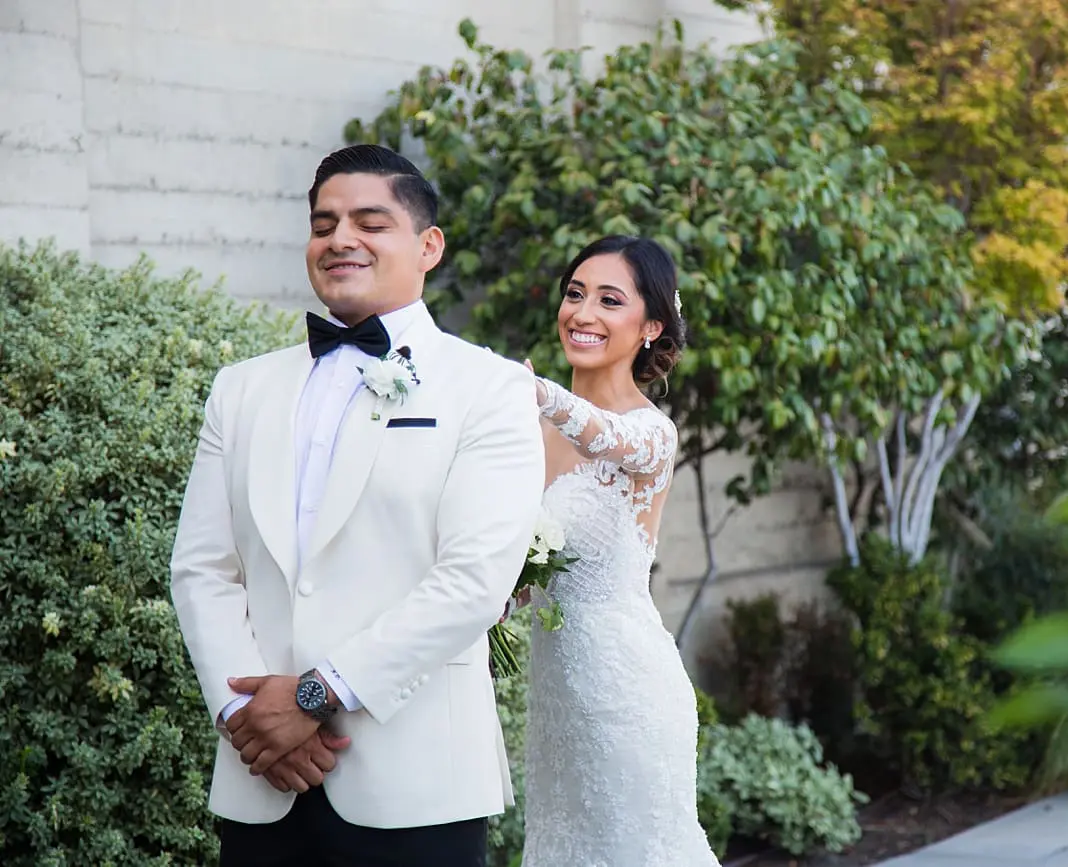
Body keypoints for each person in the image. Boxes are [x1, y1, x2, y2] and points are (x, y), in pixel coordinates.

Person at [170, 144, 545, 867]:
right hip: (262, 777)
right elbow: (202, 568)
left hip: (416, 784)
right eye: (324, 224)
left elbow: (473, 580)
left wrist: (312, 696)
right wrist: (245, 713)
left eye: (370, 223)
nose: (340, 239)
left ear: (429, 246)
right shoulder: (241, 389)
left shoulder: (489, 388)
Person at [519, 235, 719, 865]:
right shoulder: (524, 428)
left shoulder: (651, 433)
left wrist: (531, 389)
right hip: (556, 699)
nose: (583, 313)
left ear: (651, 326)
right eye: (575, 294)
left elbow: (605, 438)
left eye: (609, 300)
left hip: (627, 692)